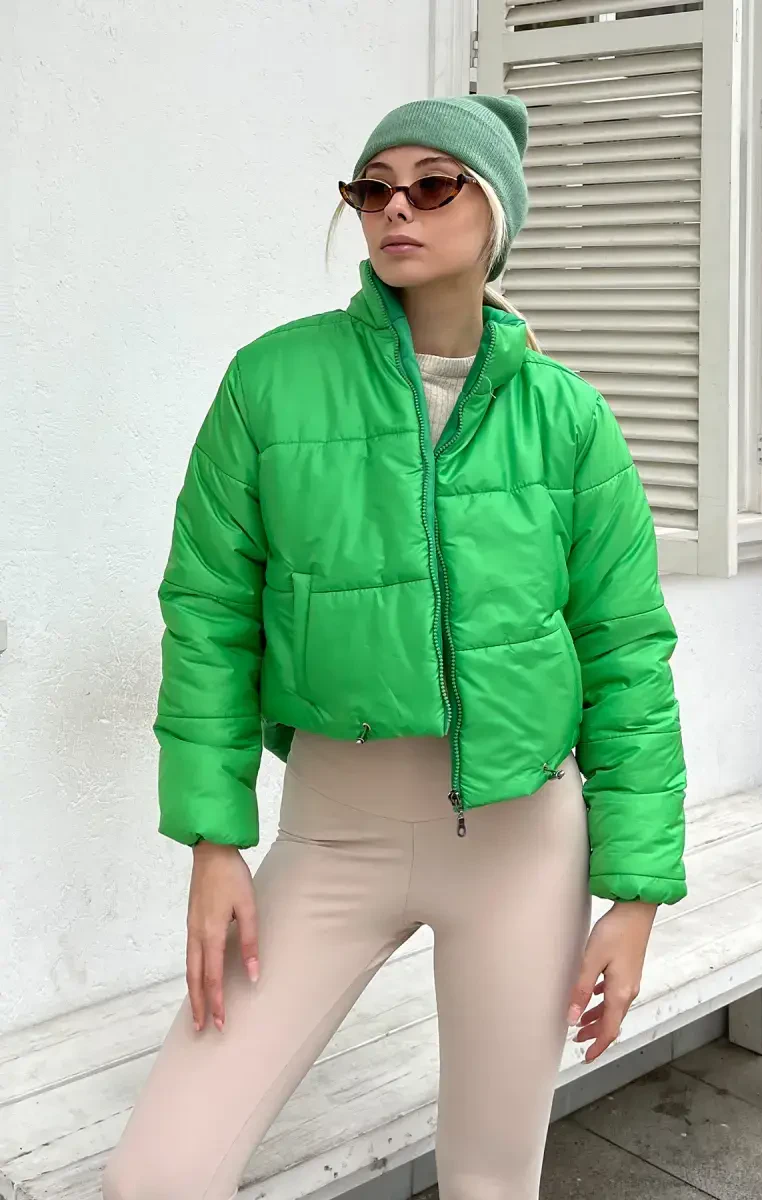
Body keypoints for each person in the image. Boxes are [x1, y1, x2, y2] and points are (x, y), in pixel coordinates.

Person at [103, 94, 687, 1200]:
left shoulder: (567, 417)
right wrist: (214, 843)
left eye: (432, 183)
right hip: (335, 830)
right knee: (158, 1175)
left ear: (495, 211)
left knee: (488, 1183)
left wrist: (636, 896)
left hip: (523, 842)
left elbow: (625, 656)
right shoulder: (271, 382)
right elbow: (210, 613)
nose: (395, 208)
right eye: (371, 188)